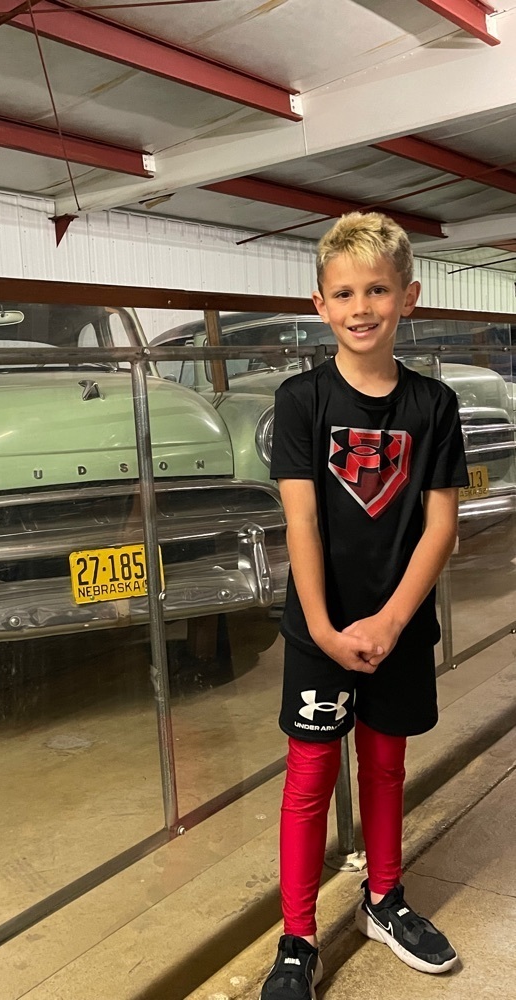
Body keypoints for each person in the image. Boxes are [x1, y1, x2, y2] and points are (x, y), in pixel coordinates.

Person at [261, 212, 468, 999]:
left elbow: (440, 525)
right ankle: (297, 935)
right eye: (344, 292)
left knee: (385, 767)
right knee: (309, 778)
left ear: (407, 296)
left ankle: (384, 899)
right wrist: (321, 625)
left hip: (400, 628)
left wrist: (389, 621)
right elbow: (302, 518)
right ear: (319, 304)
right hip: (321, 628)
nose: (361, 306)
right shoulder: (301, 399)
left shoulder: (433, 405)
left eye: (377, 289)